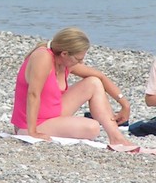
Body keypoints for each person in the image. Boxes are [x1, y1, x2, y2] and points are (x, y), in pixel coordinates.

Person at [10, 26, 142, 152]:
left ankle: (117, 138)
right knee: (92, 127)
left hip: (53, 113)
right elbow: (33, 94)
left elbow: (100, 76)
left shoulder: (63, 62)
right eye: (78, 59)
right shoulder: (43, 57)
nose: (81, 63)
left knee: (93, 82)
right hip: (30, 123)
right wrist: (32, 132)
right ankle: (32, 129)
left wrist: (125, 104)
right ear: (64, 53)